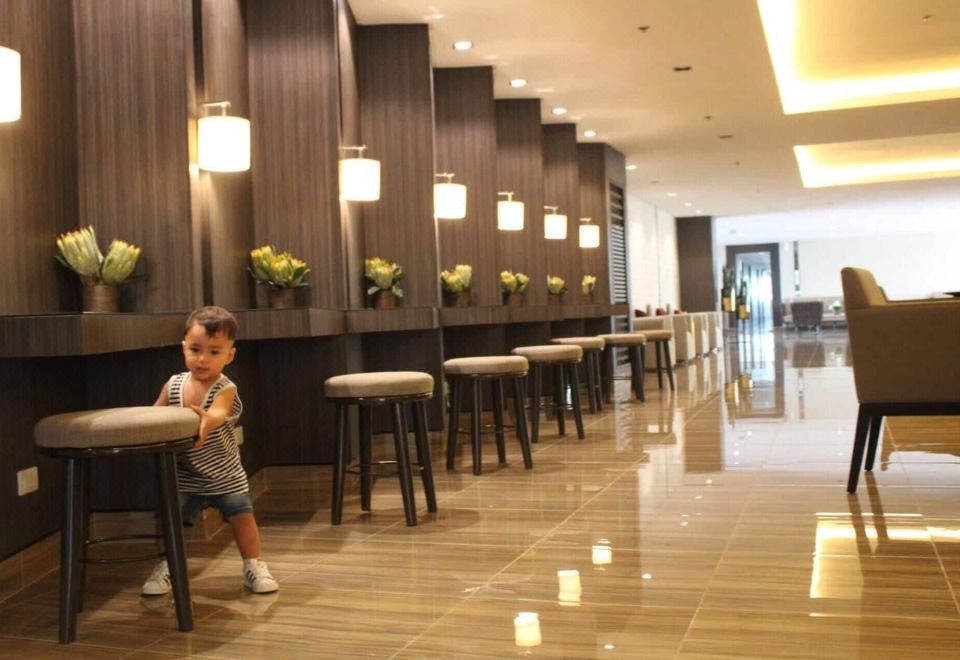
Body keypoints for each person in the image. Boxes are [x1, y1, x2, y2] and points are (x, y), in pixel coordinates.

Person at [142, 306, 278, 595]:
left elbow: (218, 413)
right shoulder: (174, 384)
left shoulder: (225, 388)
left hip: (224, 473)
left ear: (229, 355)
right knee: (169, 520)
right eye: (195, 349)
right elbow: (154, 415)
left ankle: (253, 564)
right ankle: (169, 565)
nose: (203, 359)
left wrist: (205, 422)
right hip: (182, 474)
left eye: (214, 352)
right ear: (184, 348)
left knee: (242, 517)